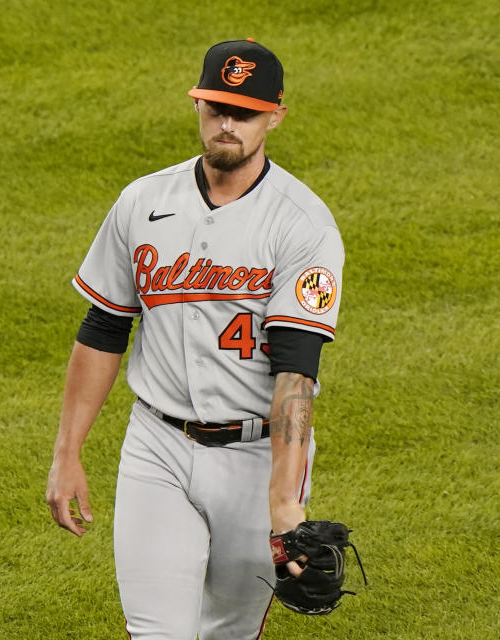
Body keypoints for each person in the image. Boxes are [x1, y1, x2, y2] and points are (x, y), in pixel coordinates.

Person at [46, 38, 345, 639]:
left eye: (245, 111)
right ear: (198, 106)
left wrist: (286, 504)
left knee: (229, 634)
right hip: (156, 447)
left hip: (254, 459)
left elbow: (295, 370)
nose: (227, 123)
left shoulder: (302, 224)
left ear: (276, 115)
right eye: (216, 108)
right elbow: (104, 326)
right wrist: (67, 451)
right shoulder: (142, 202)